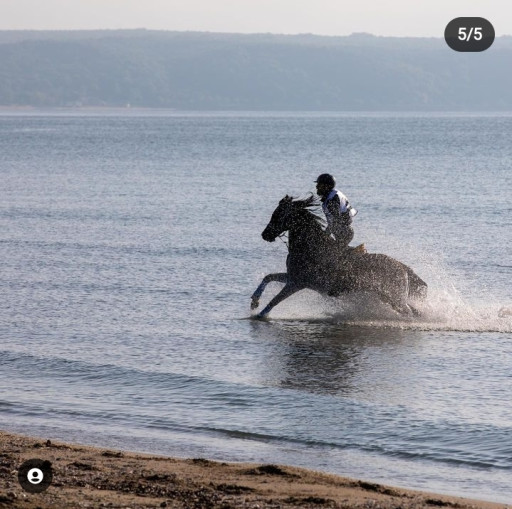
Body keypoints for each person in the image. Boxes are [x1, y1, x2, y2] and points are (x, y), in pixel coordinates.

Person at [315, 173, 357, 250]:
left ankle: (356, 252)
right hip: (343, 230)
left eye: (319, 185)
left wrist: (326, 234)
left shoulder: (331, 201)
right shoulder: (332, 195)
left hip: (343, 232)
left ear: (326, 186)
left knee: (331, 254)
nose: (316, 187)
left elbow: (336, 220)